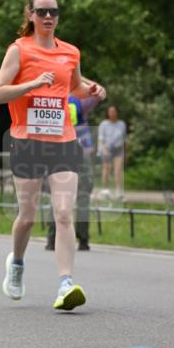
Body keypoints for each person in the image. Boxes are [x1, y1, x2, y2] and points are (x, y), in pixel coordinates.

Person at [0, 0, 106, 310]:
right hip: (27, 141)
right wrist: (31, 85)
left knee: (65, 213)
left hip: (63, 141)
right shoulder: (18, 50)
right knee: (27, 216)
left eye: (53, 12)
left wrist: (93, 89)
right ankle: (16, 263)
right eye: (41, 12)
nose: (47, 18)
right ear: (29, 15)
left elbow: (75, 86)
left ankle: (65, 283)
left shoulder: (70, 52)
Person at [45, 87, 102, 251]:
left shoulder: (51, 99)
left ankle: (52, 238)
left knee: (57, 195)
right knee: (83, 196)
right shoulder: (80, 99)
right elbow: (97, 96)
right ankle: (83, 240)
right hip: (82, 149)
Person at [98, 105, 126, 197]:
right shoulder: (104, 124)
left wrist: (124, 152)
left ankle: (119, 191)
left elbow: (123, 140)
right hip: (107, 149)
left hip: (118, 149)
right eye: (110, 111)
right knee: (106, 169)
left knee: (118, 170)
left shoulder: (122, 124)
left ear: (116, 112)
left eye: (114, 111)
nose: (112, 113)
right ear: (108, 113)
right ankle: (105, 189)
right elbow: (101, 139)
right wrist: (104, 150)